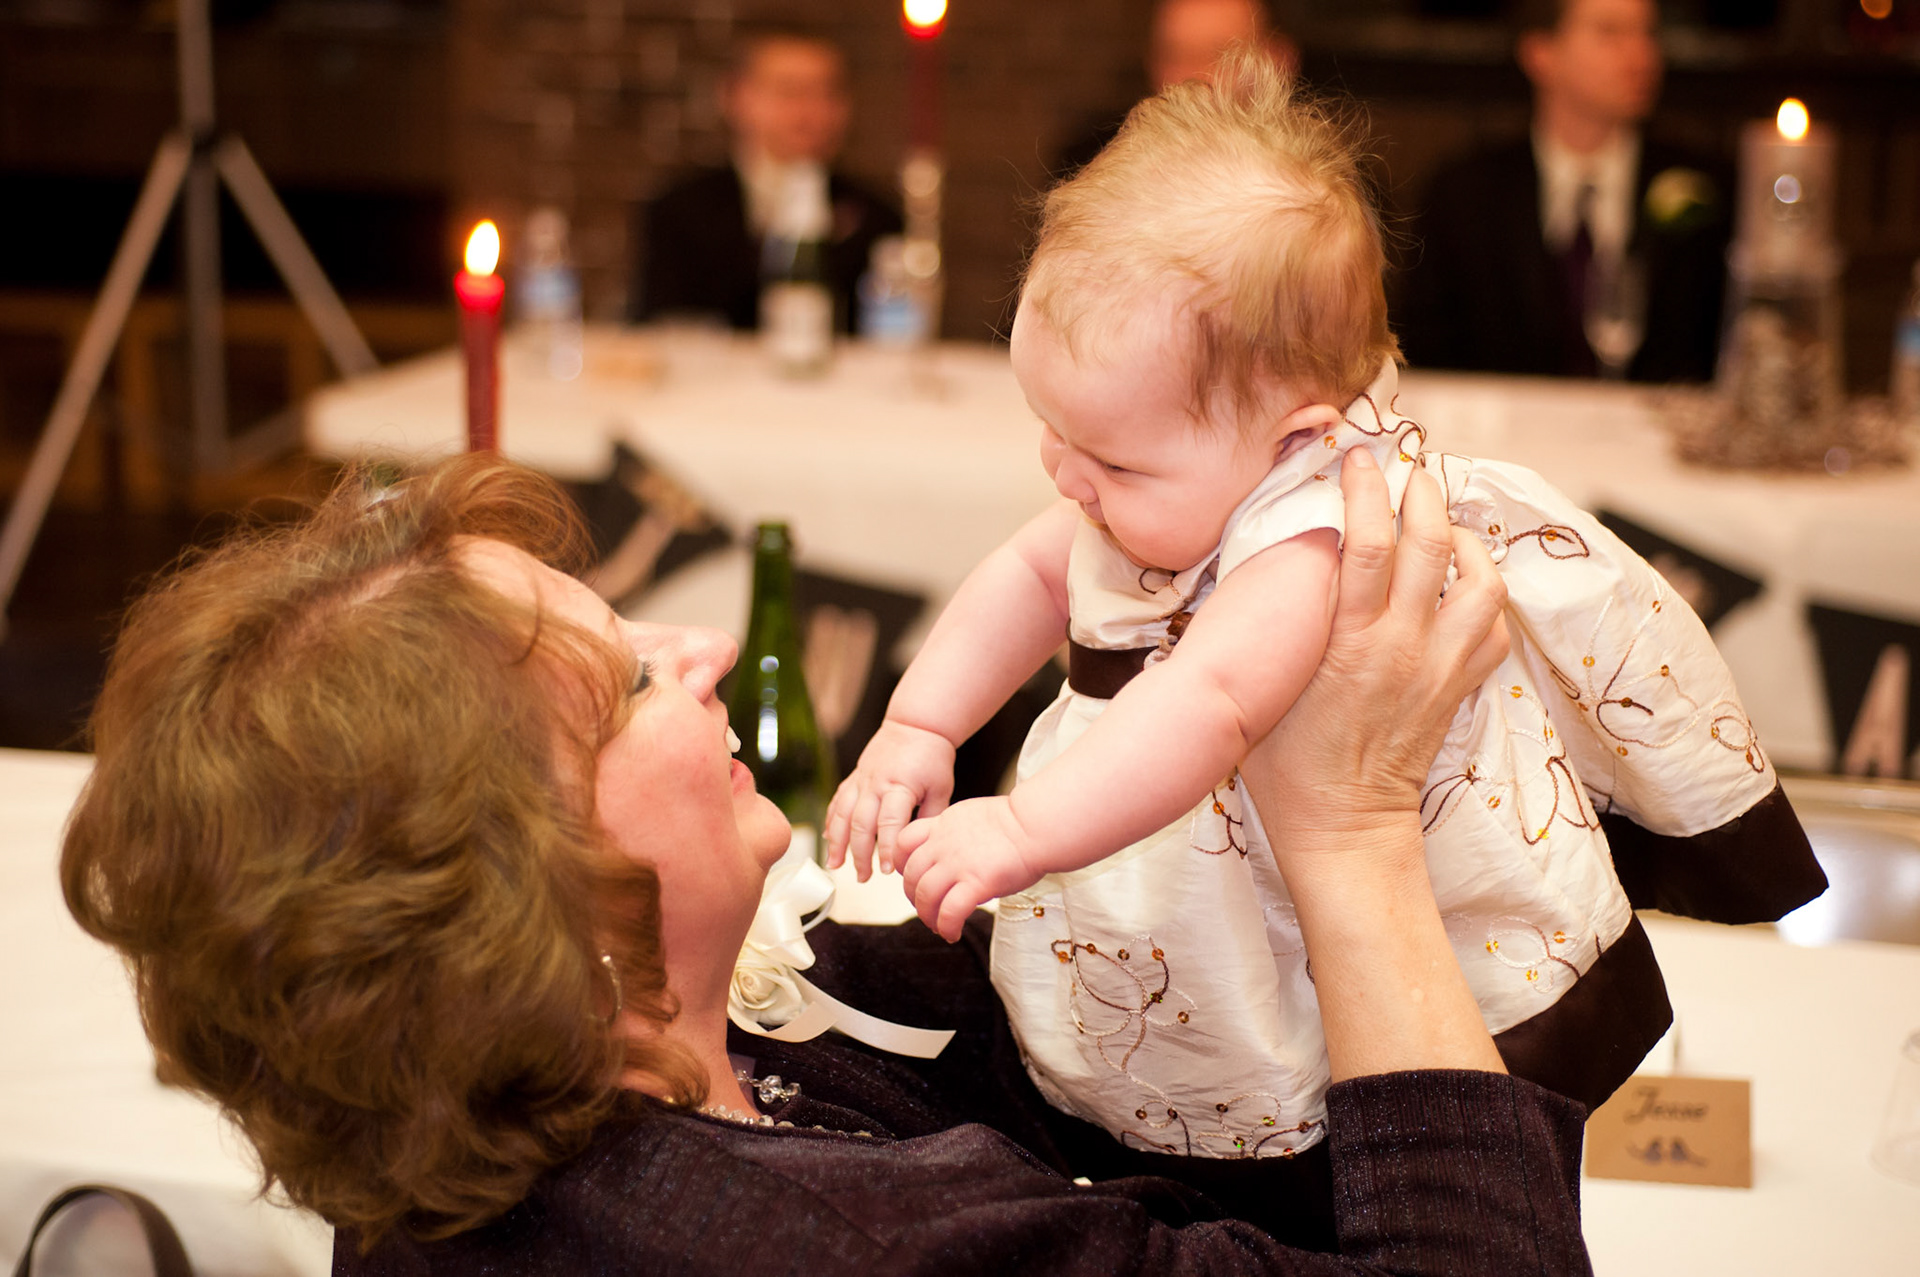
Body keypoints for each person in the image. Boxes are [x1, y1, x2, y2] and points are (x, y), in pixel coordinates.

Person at [59, 447, 1604, 1272]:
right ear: (529, 897)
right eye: (631, 682)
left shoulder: (452, 1096)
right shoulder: (837, 1251)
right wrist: (1352, 827)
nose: (704, 652)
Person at [826, 44, 1822, 1238]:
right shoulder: (1185, 458)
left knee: (1298, 1135)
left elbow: (1209, 700)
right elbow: (1033, 570)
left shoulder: (1316, 529)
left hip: (1309, 916)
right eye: (1050, 429)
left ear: (1295, 436)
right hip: (1184, 877)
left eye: (1115, 462)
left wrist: (1024, 827)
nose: (1066, 477)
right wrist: (920, 722)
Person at [1394, 0, 1732, 382]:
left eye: (1648, 33)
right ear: (1540, 52)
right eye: (1610, 32)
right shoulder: (1465, 193)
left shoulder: (1704, 185)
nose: (1642, 55)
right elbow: (1424, 350)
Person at [630, 28, 901, 333]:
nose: (812, 112)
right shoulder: (682, 210)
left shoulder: (875, 216)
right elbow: (660, 325)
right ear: (736, 97)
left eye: (828, 93)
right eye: (791, 92)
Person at [1053, 0, 1298, 176]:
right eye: (1173, 55)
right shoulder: (1097, 168)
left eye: (1218, 56)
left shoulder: (1305, 178)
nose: (1191, 78)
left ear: (1277, 59)